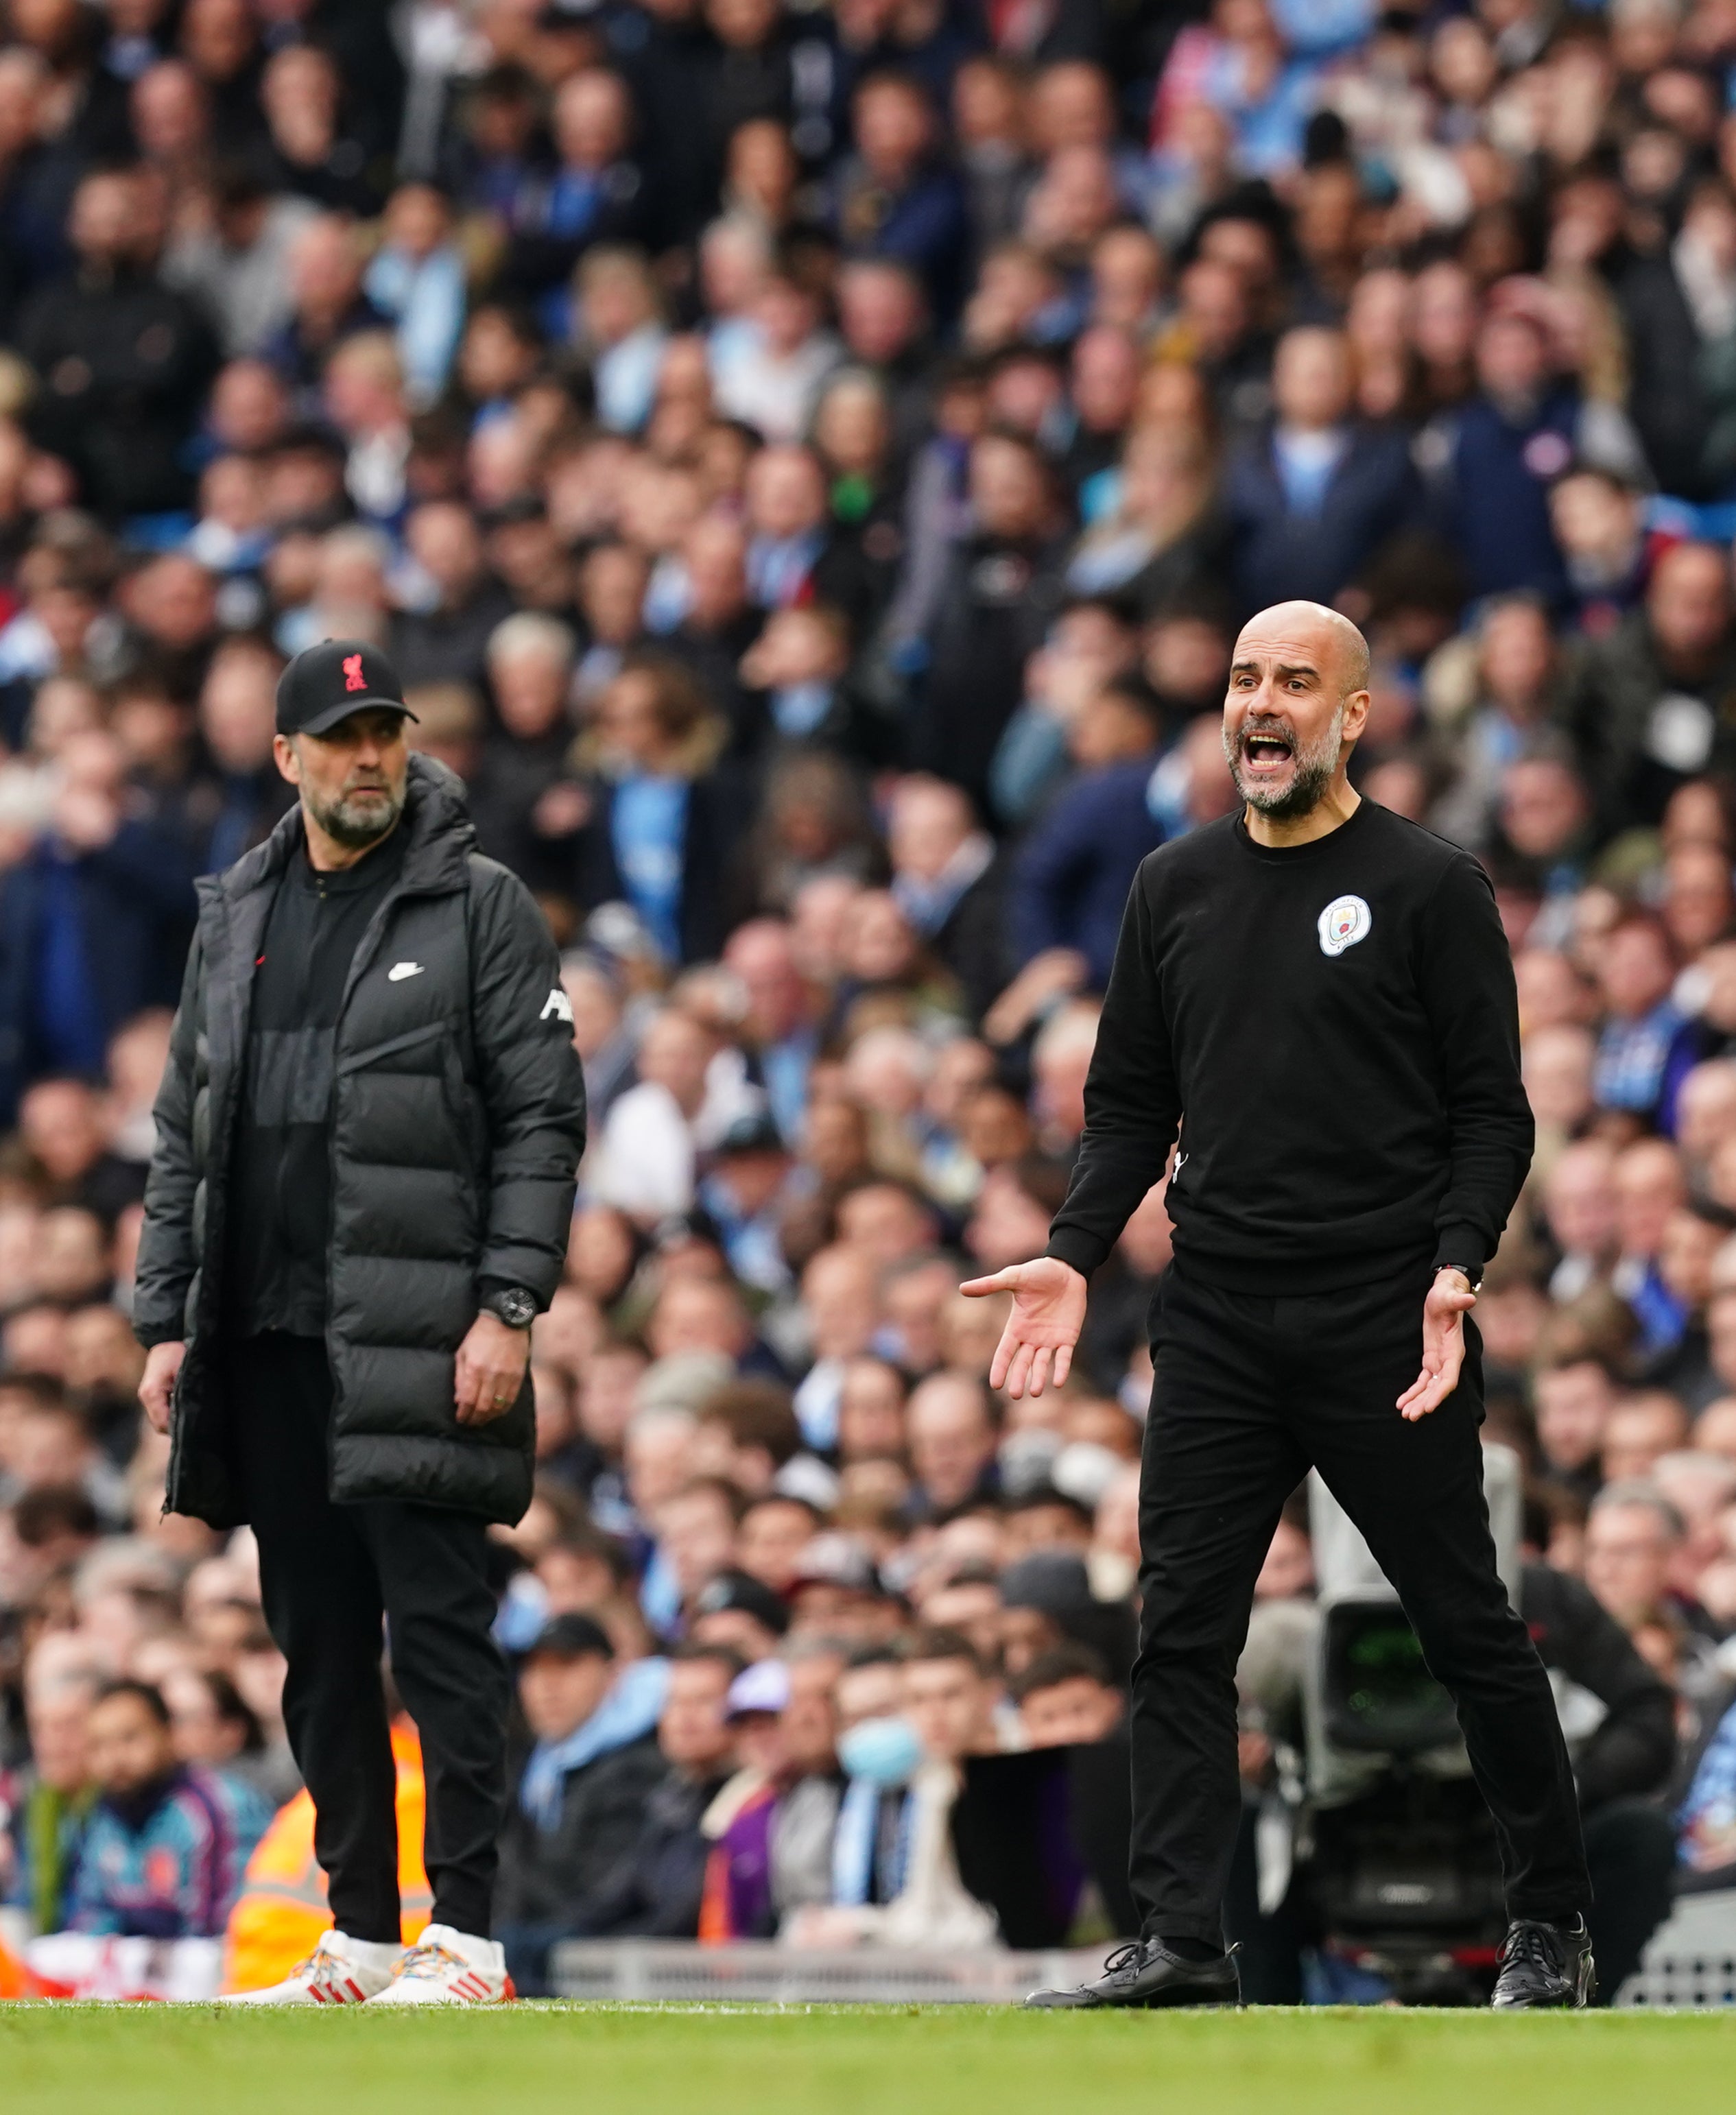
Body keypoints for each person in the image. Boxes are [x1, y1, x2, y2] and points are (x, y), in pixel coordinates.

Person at [971, 600, 1596, 2011]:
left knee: (1462, 1625)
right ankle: (1184, 1939)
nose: (1262, 703)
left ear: (1354, 716)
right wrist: (1076, 1246)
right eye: (1245, 678)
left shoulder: (1434, 885)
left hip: (1389, 1317)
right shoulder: (1169, 886)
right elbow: (1129, 1105)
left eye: (1296, 682)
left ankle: (1549, 1920)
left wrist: (1456, 1263)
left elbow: (1492, 1116)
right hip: (1218, 1316)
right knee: (1181, 1627)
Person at [131, 638, 586, 2006]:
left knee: (441, 1638)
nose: (369, 755)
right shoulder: (237, 911)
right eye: (340, 737)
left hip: (417, 1332)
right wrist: (165, 1317)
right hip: (261, 1338)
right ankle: (363, 1933)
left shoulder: (480, 905)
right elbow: (181, 1133)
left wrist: (508, 1302)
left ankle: (469, 1935)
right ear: (288, 760)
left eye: (384, 731)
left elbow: (543, 1122)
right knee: (318, 1649)